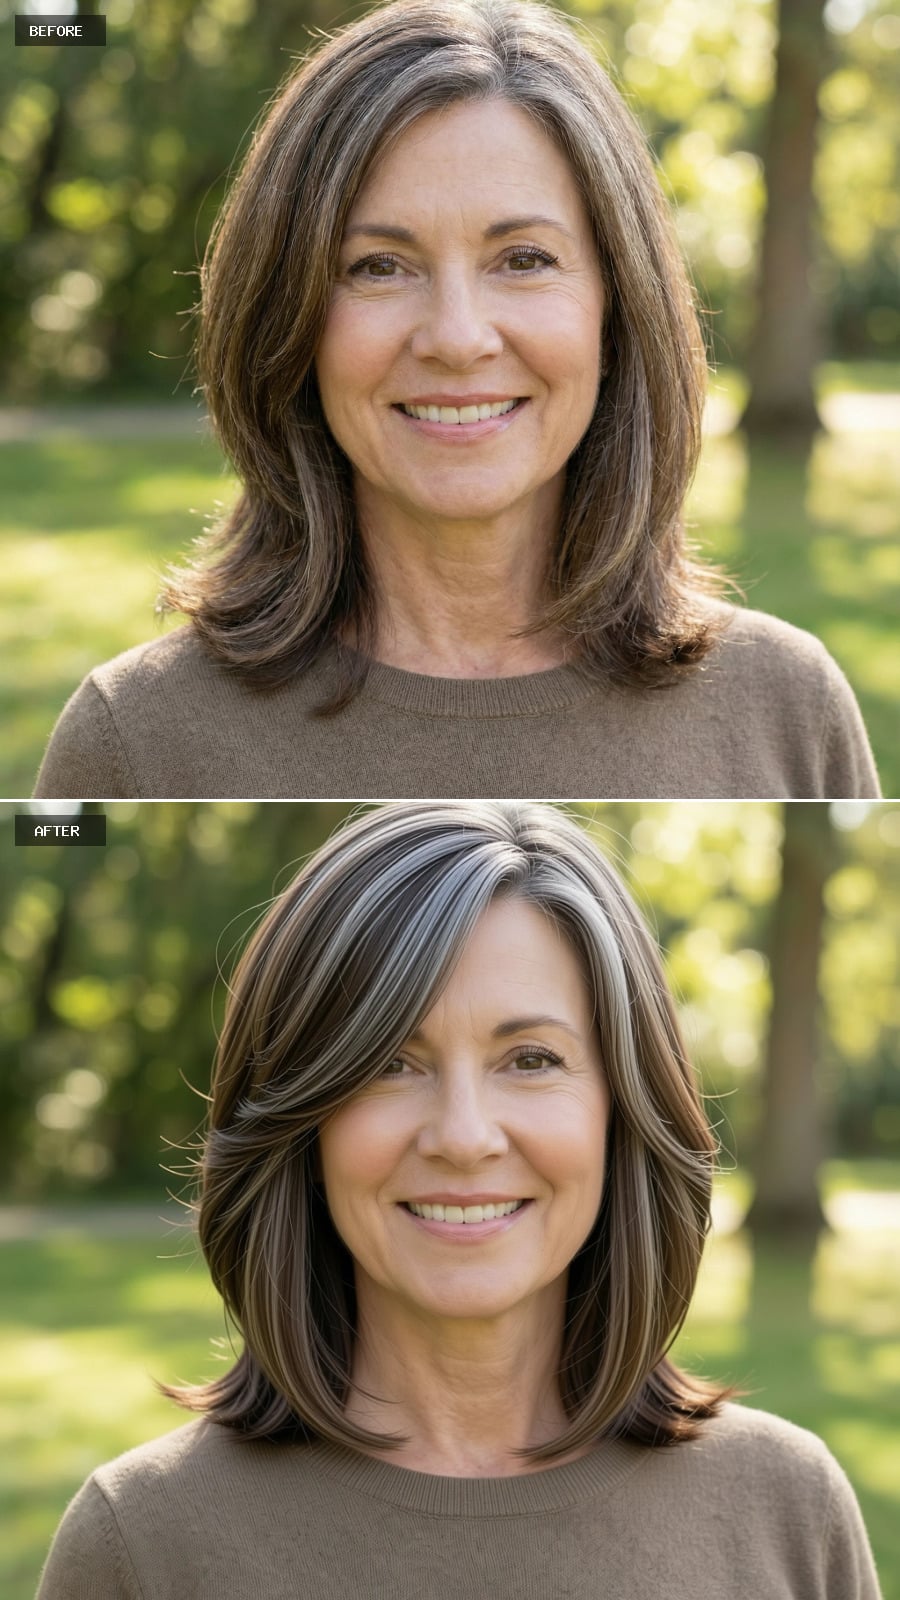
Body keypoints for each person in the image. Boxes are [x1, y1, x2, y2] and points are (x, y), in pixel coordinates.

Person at [33, 0, 879, 800]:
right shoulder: (137, 741)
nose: (457, 336)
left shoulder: (786, 710)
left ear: (618, 307)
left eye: (523, 259)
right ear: (287, 320)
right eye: (378, 267)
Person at [37, 800, 882, 1597]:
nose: (464, 1135)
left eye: (531, 1060)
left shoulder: (786, 1509)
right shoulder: (142, 1542)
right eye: (388, 1064)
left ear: (623, 1111)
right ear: (302, 1123)